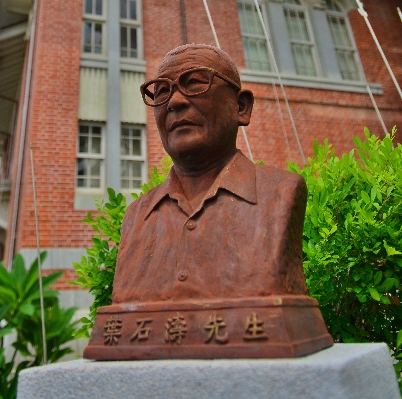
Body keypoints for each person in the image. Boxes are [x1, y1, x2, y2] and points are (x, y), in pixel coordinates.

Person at [112, 43, 308, 304]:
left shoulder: (280, 193)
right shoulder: (138, 216)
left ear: (241, 107)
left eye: (194, 83)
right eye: (161, 92)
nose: (175, 102)